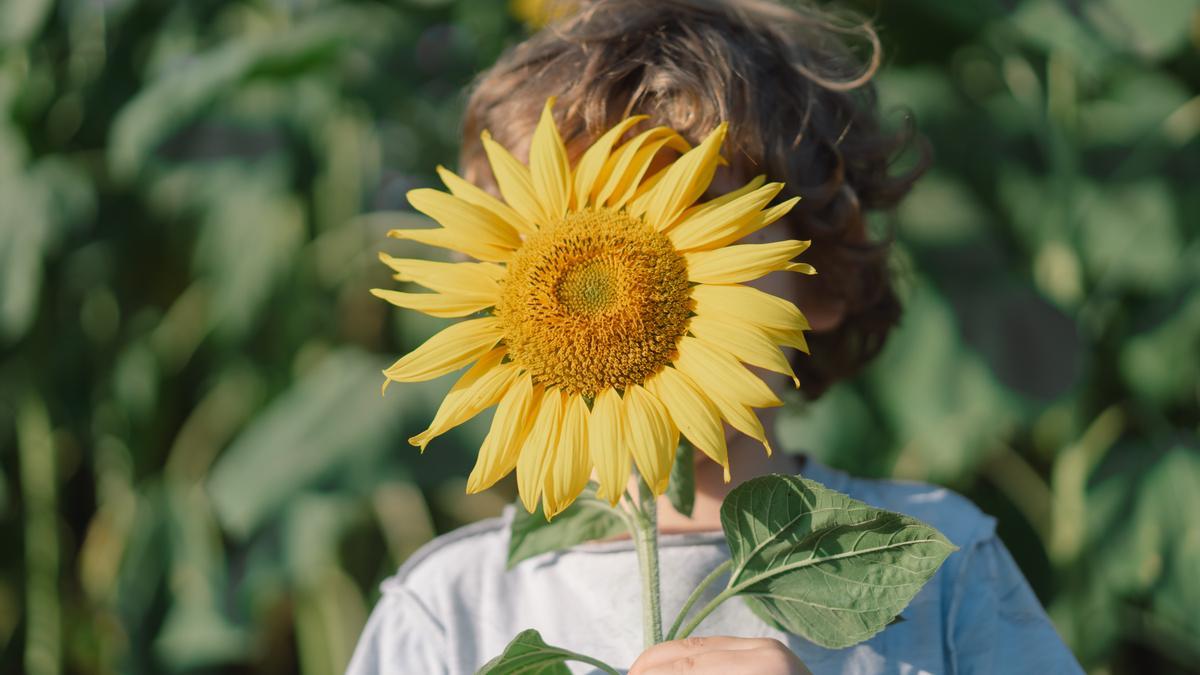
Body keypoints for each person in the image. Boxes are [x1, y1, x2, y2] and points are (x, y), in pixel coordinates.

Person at [347, 0, 1084, 672]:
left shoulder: (936, 567)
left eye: (691, 215)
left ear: (820, 274)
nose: (609, 285)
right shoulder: (452, 609)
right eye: (546, 232)